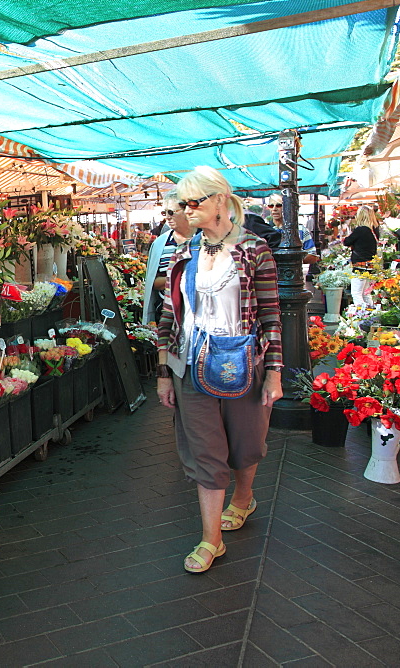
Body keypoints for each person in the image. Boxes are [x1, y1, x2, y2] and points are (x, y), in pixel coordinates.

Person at [156, 166, 283, 574]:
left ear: (221, 201)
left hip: (244, 361)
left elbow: (271, 314)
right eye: (183, 204)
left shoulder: (253, 249)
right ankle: (212, 538)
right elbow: (167, 315)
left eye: (196, 202)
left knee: (247, 443)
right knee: (204, 452)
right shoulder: (183, 253)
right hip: (191, 364)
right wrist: (163, 371)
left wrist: (276, 372)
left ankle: (244, 498)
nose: (187, 210)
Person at [142, 196, 191, 325]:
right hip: (166, 314)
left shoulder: (202, 240)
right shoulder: (161, 243)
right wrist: (184, 277)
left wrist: (171, 279)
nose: (167, 217)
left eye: (171, 212)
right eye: (165, 213)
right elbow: (154, 282)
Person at [343, 205, 380, 306]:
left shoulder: (360, 230)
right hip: (370, 264)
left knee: (356, 293)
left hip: (360, 264)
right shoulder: (373, 230)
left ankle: (361, 315)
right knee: (366, 293)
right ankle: (370, 314)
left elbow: (346, 241)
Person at [267, 194, 319, 264]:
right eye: (271, 206)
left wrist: (292, 260)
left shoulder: (301, 230)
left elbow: (313, 256)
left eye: (279, 205)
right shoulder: (265, 229)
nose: (274, 209)